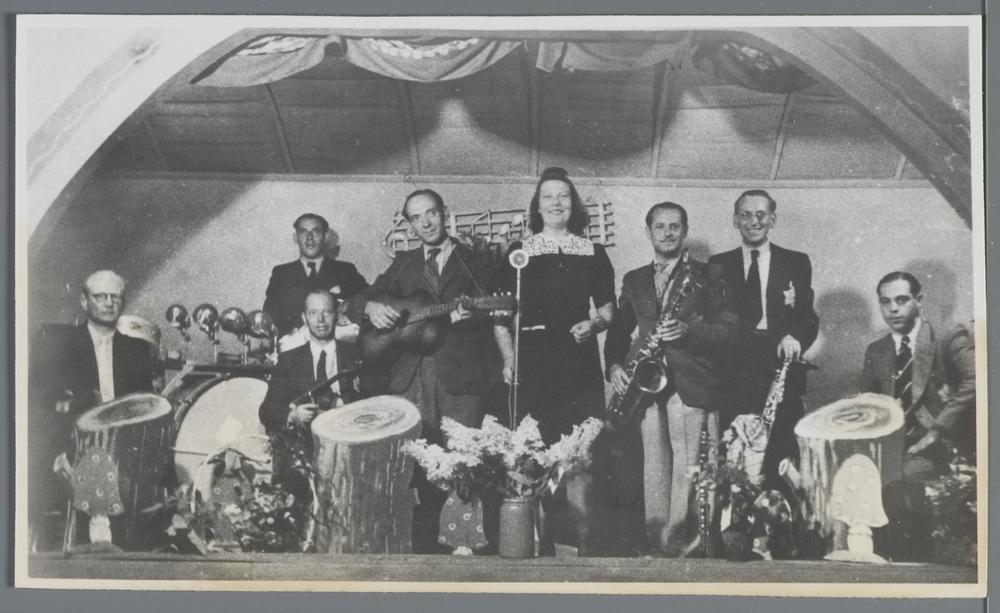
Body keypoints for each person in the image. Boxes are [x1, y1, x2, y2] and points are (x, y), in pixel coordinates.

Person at [347, 188, 508, 553]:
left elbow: (493, 314)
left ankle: (465, 552)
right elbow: (359, 299)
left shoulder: (476, 260)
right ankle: (420, 553)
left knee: (463, 467)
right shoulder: (403, 263)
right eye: (417, 218)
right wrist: (371, 307)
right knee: (415, 469)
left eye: (431, 213)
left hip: (459, 377)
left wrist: (471, 317)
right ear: (409, 224)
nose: (426, 223)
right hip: (410, 378)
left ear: (444, 213)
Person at [605, 202, 737, 555]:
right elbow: (618, 331)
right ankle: (659, 543)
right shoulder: (634, 279)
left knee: (691, 466)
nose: (667, 233)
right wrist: (615, 367)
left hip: (692, 382)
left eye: (674, 226)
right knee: (655, 467)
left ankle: (685, 544)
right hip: (647, 384)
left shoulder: (708, 275)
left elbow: (729, 330)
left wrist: (688, 330)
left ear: (685, 231)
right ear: (648, 232)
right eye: (660, 227)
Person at [496, 167, 615, 555]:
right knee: (535, 454)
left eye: (563, 195)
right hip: (535, 363)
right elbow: (502, 318)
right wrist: (510, 361)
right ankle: (541, 547)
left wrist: (593, 324)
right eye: (548, 196)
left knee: (582, 454)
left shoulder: (593, 253)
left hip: (579, 362)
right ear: (537, 206)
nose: (556, 203)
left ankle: (583, 548)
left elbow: (608, 311)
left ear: (573, 204)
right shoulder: (519, 253)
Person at [29, 270, 154, 550]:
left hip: (124, 441)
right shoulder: (61, 344)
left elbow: (144, 403)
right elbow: (42, 399)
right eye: (100, 297)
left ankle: (118, 544)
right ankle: (96, 536)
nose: (109, 303)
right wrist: (80, 403)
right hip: (74, 438)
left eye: (115, 297)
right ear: (85, 301)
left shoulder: (136, 350)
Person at [707, 189, 819, 491]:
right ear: (735, 220)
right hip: (735, 373)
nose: (754, 221)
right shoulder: (718, 265)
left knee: (780, 456)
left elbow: (808, 317)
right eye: (746, 215)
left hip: (779, 369)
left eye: (761, 214)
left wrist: (795, 337)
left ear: (773, 219)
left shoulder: (796, 262)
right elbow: (717, 321)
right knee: (736, 456)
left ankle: (779, 519)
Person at [859, 272, 975, 480]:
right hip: (892, 450)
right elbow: (865, 404)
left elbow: (977, 379)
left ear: (918, 301)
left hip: (941, 446)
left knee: (900, 479)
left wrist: (937, 430)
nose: (893, 309)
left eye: (901, 300)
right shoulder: (876, 351)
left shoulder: (946, 337)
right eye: (885, 302)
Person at [258, 289, 361, 495]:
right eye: (313, 313)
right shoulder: (288, 360)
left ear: (337, 315)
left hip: (350, 454)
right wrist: (293, 416)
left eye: (327, 312)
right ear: (304, 318)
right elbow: (267, 410)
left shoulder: (357, 356)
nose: (321, 320)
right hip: (305, 455)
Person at [263, 213, 368, 339]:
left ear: (326, 237)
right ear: (295, 238)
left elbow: (366, 301)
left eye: (316, 232)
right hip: (292, 348)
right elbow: (269, 317)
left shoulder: (346, 270)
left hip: (337, 346)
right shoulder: (281, 274)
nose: (309, 238)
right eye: (303, 232)